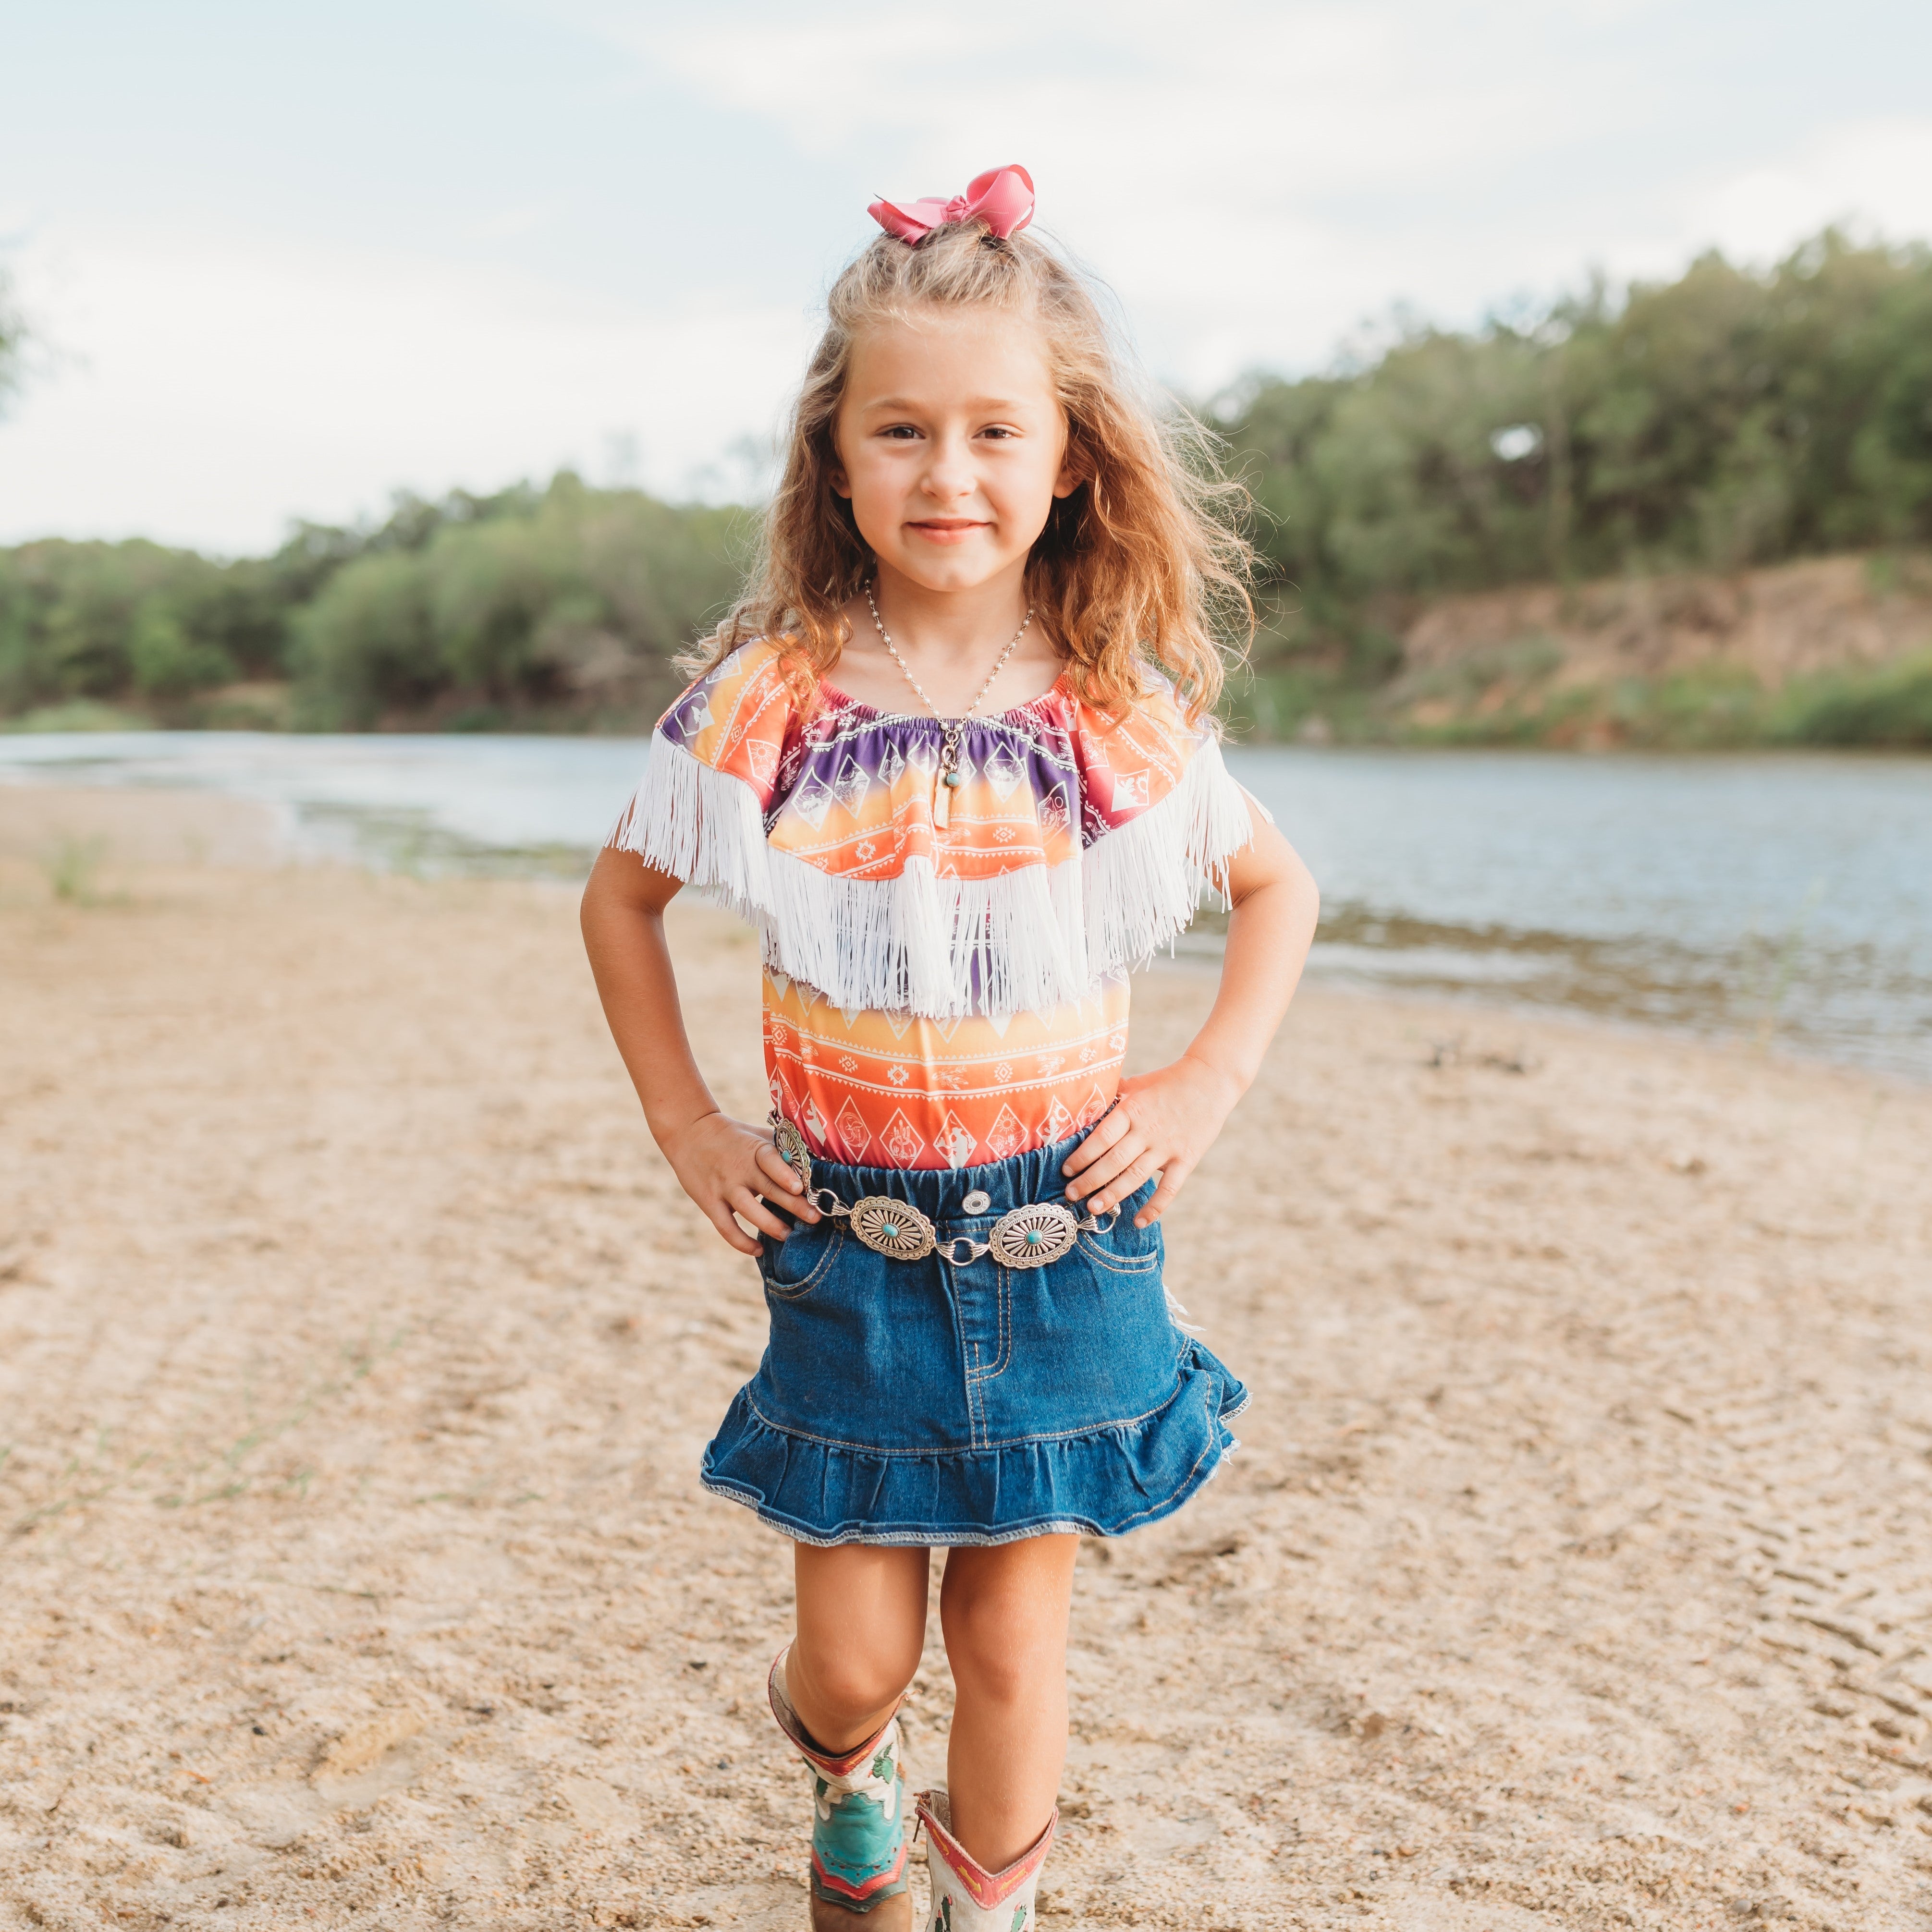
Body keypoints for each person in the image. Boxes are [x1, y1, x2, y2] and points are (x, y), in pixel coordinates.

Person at [581, 164, 1320, 1932]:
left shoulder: (1116, 701)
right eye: (903, 431)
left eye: (998, 431)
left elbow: (1278, 886)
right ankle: (846, 1776)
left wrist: (1201, 1082)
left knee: (1005, 1639)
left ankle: (975, 1913)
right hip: (848, 1241)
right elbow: (618, 905)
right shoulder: (769, 697)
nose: (950, 473)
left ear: (1069, 458)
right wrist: (689, 1124)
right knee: (854, 1658)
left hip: (1068, 1233)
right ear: (836, 457)